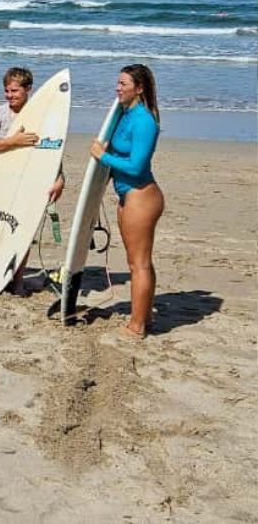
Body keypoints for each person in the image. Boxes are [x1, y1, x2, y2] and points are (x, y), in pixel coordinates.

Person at [91, 64, 164, 339]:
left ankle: (137, 326)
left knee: (139, 264)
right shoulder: (123, 113)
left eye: (123, 84)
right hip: (127, 197)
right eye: (117, 83)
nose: (117, 88)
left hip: (142, 196)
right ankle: (145, 317)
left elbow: (135, 166)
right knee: (138, 261)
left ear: (139, 88)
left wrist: (102, 156)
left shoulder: (144, 120)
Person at [0, 66, 65, 294]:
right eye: (7, 91)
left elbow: (52, 148)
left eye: (15, 91)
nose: (9, 96)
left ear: (28, 89)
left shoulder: (42, 115)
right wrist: (13, 141)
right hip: (3, 176)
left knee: (22, 228)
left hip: (31, 178)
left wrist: (60, 178)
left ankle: (17, 279)